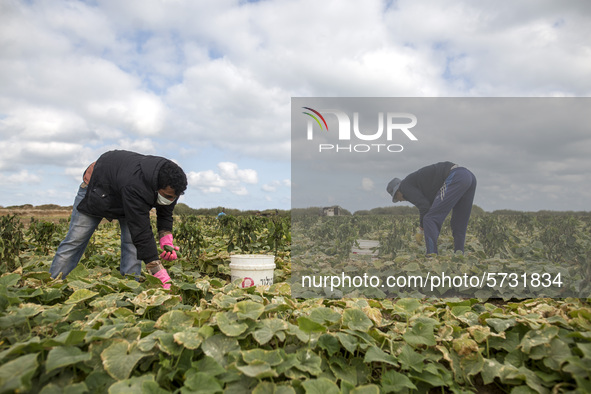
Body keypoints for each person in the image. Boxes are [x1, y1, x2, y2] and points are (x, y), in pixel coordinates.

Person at [49, 150, 188, 290]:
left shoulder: (170, 182)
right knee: (76, 240)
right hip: (97, 189)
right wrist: (156, 269)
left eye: (174, 197)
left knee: (132, 244)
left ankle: (129, 288)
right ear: (156, 186)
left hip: (123, 189)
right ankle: (54, 284)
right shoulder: (135, 184)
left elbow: (165, 212)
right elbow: (141, 230)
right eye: (167, 196)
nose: (170, 200)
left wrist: (166, 238)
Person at [386, 161, 477, 255]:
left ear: (397, 191)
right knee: (459, 222)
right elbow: (431, 204)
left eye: (397, 198)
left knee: (429, 219)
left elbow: (424, 206)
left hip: (456, 176)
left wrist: (421, 229)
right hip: (468, 176)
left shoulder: (404, 187)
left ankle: (431, 256)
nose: (400, 200)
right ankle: (459, 254)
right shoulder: (414, 183)